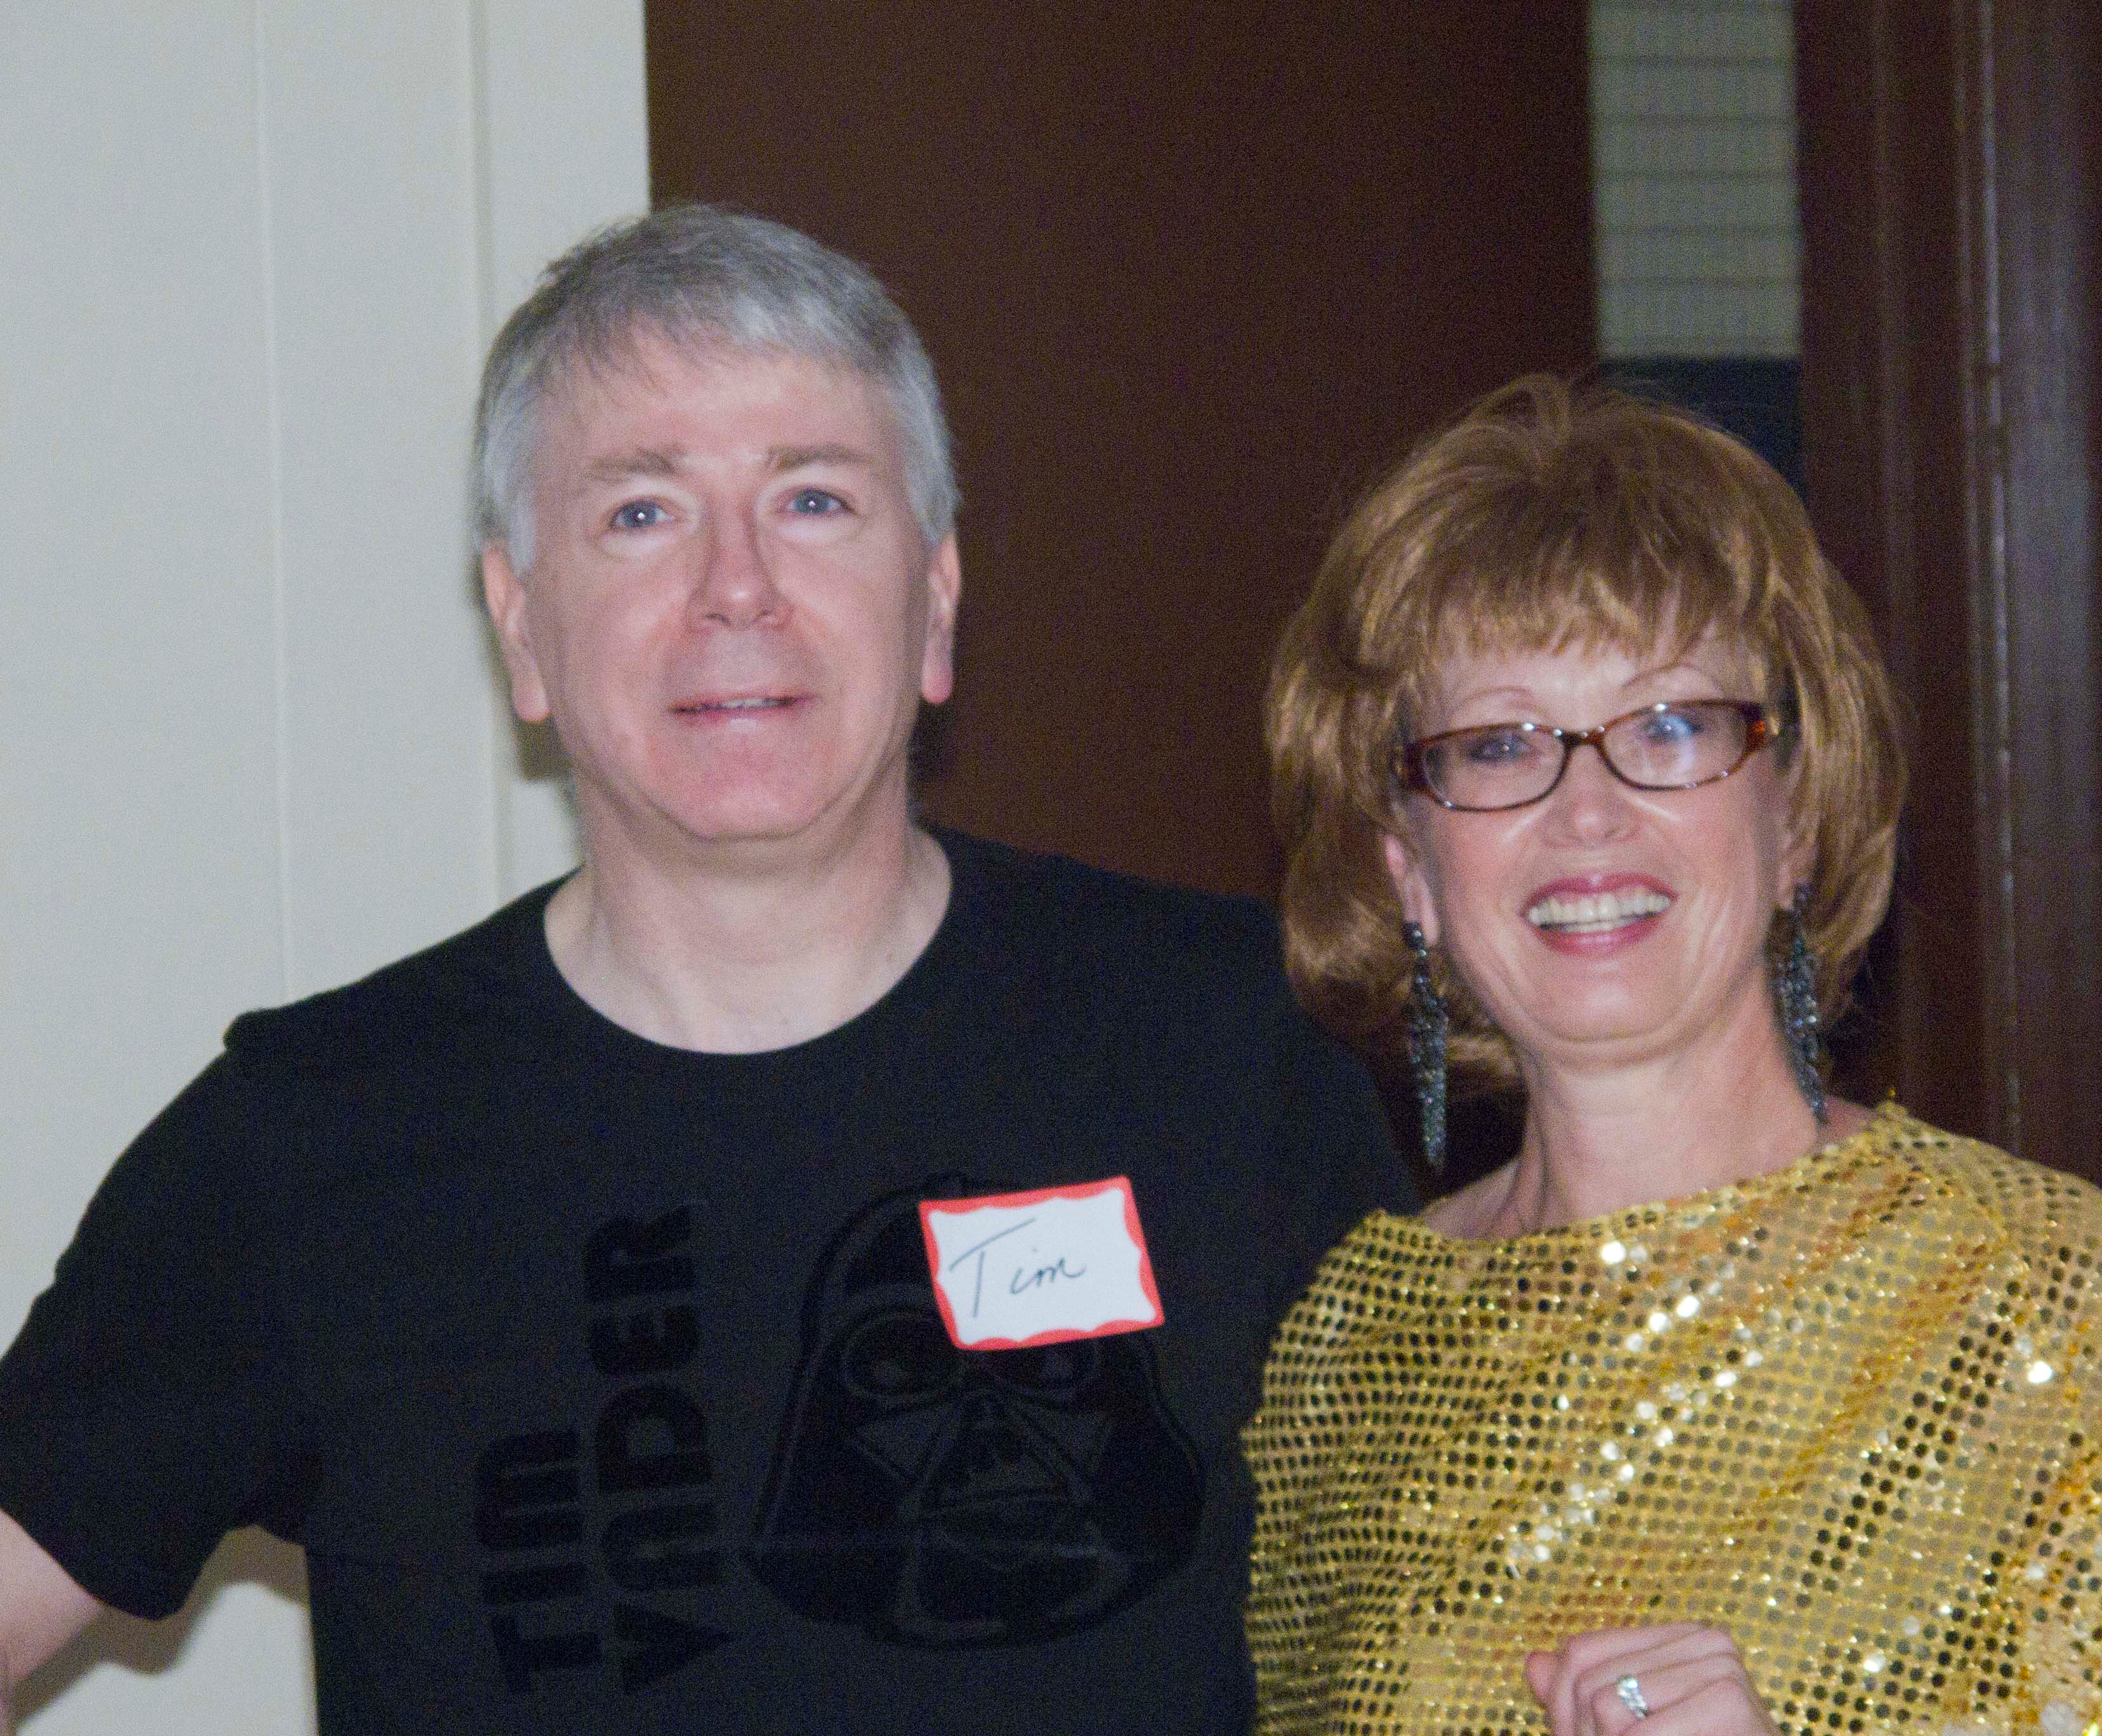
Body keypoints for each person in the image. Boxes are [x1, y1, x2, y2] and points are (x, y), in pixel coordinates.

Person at [0, 206, 1413, 1735]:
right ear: (521, 627)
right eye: (640, 512)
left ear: (935, 602)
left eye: (813, 499)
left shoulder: (1236, 1045)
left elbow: (1464, 1618)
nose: (737, 585)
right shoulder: (312, 1139)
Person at [1244, 377, 2102, 1736]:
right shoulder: (1347, 1348)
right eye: (1499, 746)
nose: (1587, 813)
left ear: (1794, 819)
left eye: (1669, 728)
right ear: (1410, 870)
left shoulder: (2023, 1289)